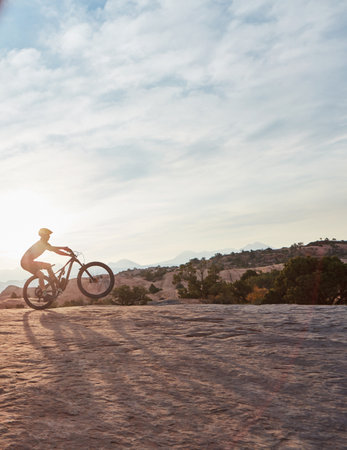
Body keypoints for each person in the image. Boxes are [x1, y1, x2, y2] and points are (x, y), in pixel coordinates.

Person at [21, 228, 71, 296]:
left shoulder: (45, 243)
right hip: (26, 263)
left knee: (48, 265)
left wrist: (68, 254)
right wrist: (64, 248)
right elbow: (54, 249)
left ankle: (58, 285)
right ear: (43, 235)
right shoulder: (41, 243)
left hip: (30, 262)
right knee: (40, 274)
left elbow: (56, 251)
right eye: (48, 235)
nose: (49, 237)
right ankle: (44, 293)